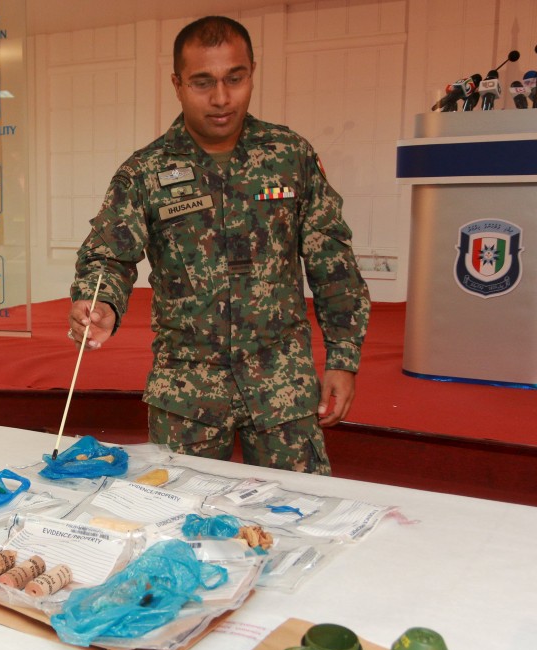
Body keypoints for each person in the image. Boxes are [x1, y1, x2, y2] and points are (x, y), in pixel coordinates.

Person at [67, 16, 370, 474]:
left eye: (235, 78)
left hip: (280, 385)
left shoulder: (290, 157)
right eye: (203, 82)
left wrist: (343, 357)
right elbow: (109, 254)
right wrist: (101, 301)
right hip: (187, 391)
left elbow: (333, 260)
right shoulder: (146, 171)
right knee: (175, 518)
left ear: (252, 71)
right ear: (177, 83)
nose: (222, 98)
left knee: (298, 512)